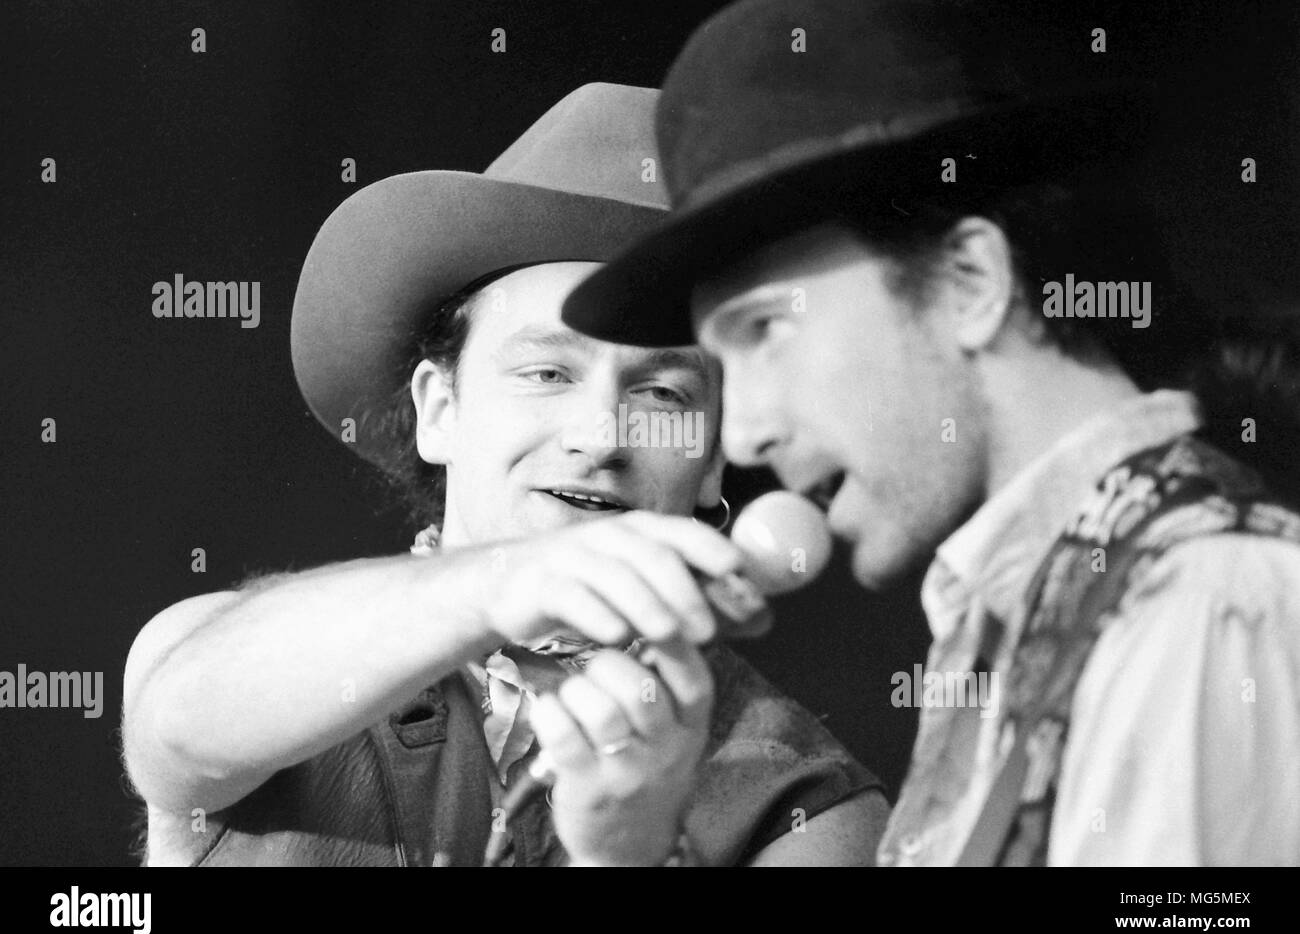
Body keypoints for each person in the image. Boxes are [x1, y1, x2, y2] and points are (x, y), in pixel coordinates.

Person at [562, 2, 1300, 865]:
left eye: (767, 329)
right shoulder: (1003, 621)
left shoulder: (1203, 604)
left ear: (971, 280)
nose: (749, 434)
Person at [120, 82, 888, 867]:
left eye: (661, 392)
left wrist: (630, 854)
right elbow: (176, 724)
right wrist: (503, 584)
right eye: (548, 373)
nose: (600, 436)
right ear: (439, 409)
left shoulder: (812, 809)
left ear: (713, 458)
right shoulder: (226, 657)